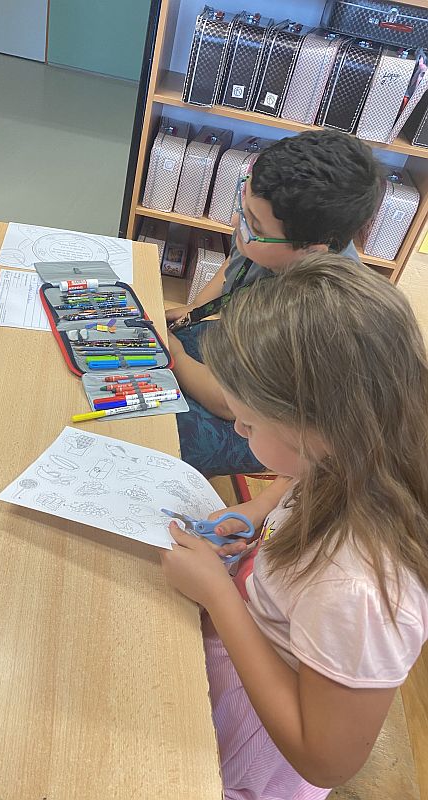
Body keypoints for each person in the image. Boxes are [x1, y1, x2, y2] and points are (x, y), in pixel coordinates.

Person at [160, 253, 428, 799]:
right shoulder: (357, 452)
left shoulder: (360, 592)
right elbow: (295, 484)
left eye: (249, 421)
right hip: (244, 646)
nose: (239, 429)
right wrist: (257, 513)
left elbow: (326, 760)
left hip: (259, 739)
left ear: (315, 428)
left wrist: (219, 597)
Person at [167, 130, 382, 476]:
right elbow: (233, 265)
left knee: (164, 437)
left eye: (253, 224)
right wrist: (195, 311)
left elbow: (231, 405)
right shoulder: (265, 232)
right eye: (243, 203)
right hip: (238, 351)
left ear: (312, 251)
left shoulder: (319, 311)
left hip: (264, 423)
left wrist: (174, 354)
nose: (237, 223)